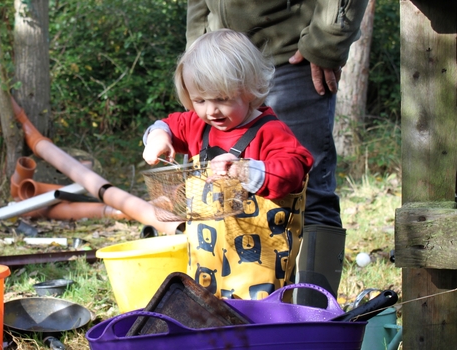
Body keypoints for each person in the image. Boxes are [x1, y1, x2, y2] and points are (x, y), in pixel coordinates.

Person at [186, 0, 369, 302]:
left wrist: (328, 38)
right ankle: (229, 316)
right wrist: (197, 60)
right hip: (217, 65)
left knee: (308, 193)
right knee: (217, 195)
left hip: (291, 55)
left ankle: (313, 322)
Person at [143, 29, 313, 300]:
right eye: (200, 100)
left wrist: (245, 170)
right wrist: (158, 138)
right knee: (209, 311)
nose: (211, 110)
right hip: (207, 261)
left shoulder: (270, 132)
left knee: (256, 318)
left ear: (249, 89)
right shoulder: (198, 125)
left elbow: (293, 171)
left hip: (259, 268)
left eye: (222, 99)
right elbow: (167, 125)